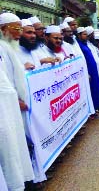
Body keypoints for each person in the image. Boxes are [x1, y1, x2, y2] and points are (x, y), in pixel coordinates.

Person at [0, 12, 35, 190]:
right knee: (10, 148)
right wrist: (16, 100)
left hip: (15, 107)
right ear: (3, 29)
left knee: (19, 145)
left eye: (20, 28)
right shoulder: (1, 49)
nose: (19, 33)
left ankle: (24, 180)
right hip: (6, 109)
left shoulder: (8, 47)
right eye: (16, 28)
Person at [76, 27, 99, 112]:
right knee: (92, 89)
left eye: (86, 34)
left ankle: (98, 105)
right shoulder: (79, 45)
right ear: (79, 35)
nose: (87, 36)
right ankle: (94, 107)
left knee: (96, 86)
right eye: (84, 34)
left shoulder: (86, 44)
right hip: (88, 70)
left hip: (94, 69)